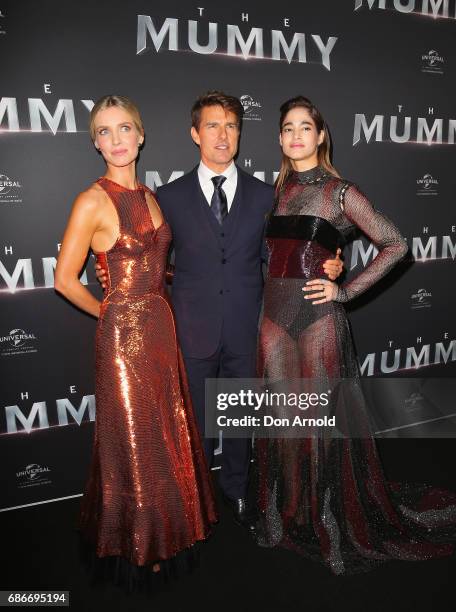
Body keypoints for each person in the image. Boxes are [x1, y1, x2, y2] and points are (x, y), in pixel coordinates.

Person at [96, 91, 343, 530]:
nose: (222, 135)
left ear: (240, 134)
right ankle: (198, 497)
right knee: (197, 424)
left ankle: (236, 489)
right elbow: (149, 260)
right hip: (189, 329)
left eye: (230, 126)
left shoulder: (267, 196)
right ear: (195, 134)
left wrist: (334, 264)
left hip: (249, 326)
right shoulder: (166, 198)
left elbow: (296, 250)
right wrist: (110, 276)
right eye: (212, 125)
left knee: (240, 418)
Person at [249, 95, 456, 574]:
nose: (296, 135)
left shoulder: (341, 192)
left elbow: (396, 243)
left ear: (321, 136)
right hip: (273, 320)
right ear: (279, 138)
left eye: (305, 127)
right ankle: (289, 512)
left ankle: (328, 516)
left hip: (318, 320)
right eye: (287, 128)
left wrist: (346, 289)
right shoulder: (275, 193)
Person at [55, 95, 217, 590]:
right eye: (104, 132)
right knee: (134, 442)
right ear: (94, 142)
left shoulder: (151, 196)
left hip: (161, 331)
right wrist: (111, 311)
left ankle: (168, 530)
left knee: (165, 433)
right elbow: (65, 279)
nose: (117, 140)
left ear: (141, 135)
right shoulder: (92, 200)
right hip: (122, 339)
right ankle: (139, 543)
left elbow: (155, 264)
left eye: (125, 128)